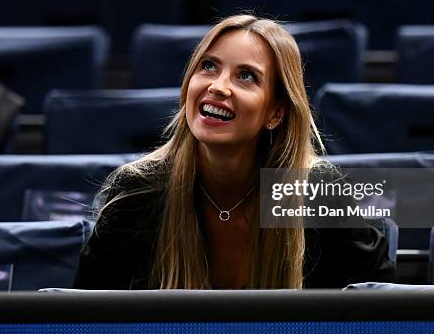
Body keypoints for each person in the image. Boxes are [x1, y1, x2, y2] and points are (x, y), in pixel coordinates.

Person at [74, 15, 394, 289]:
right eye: (209, 66)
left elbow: (382, 316)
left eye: (246, 76)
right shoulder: (137, 192)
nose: (218, 86)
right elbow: (87, 322)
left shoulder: (317, 193)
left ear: (275, 113)